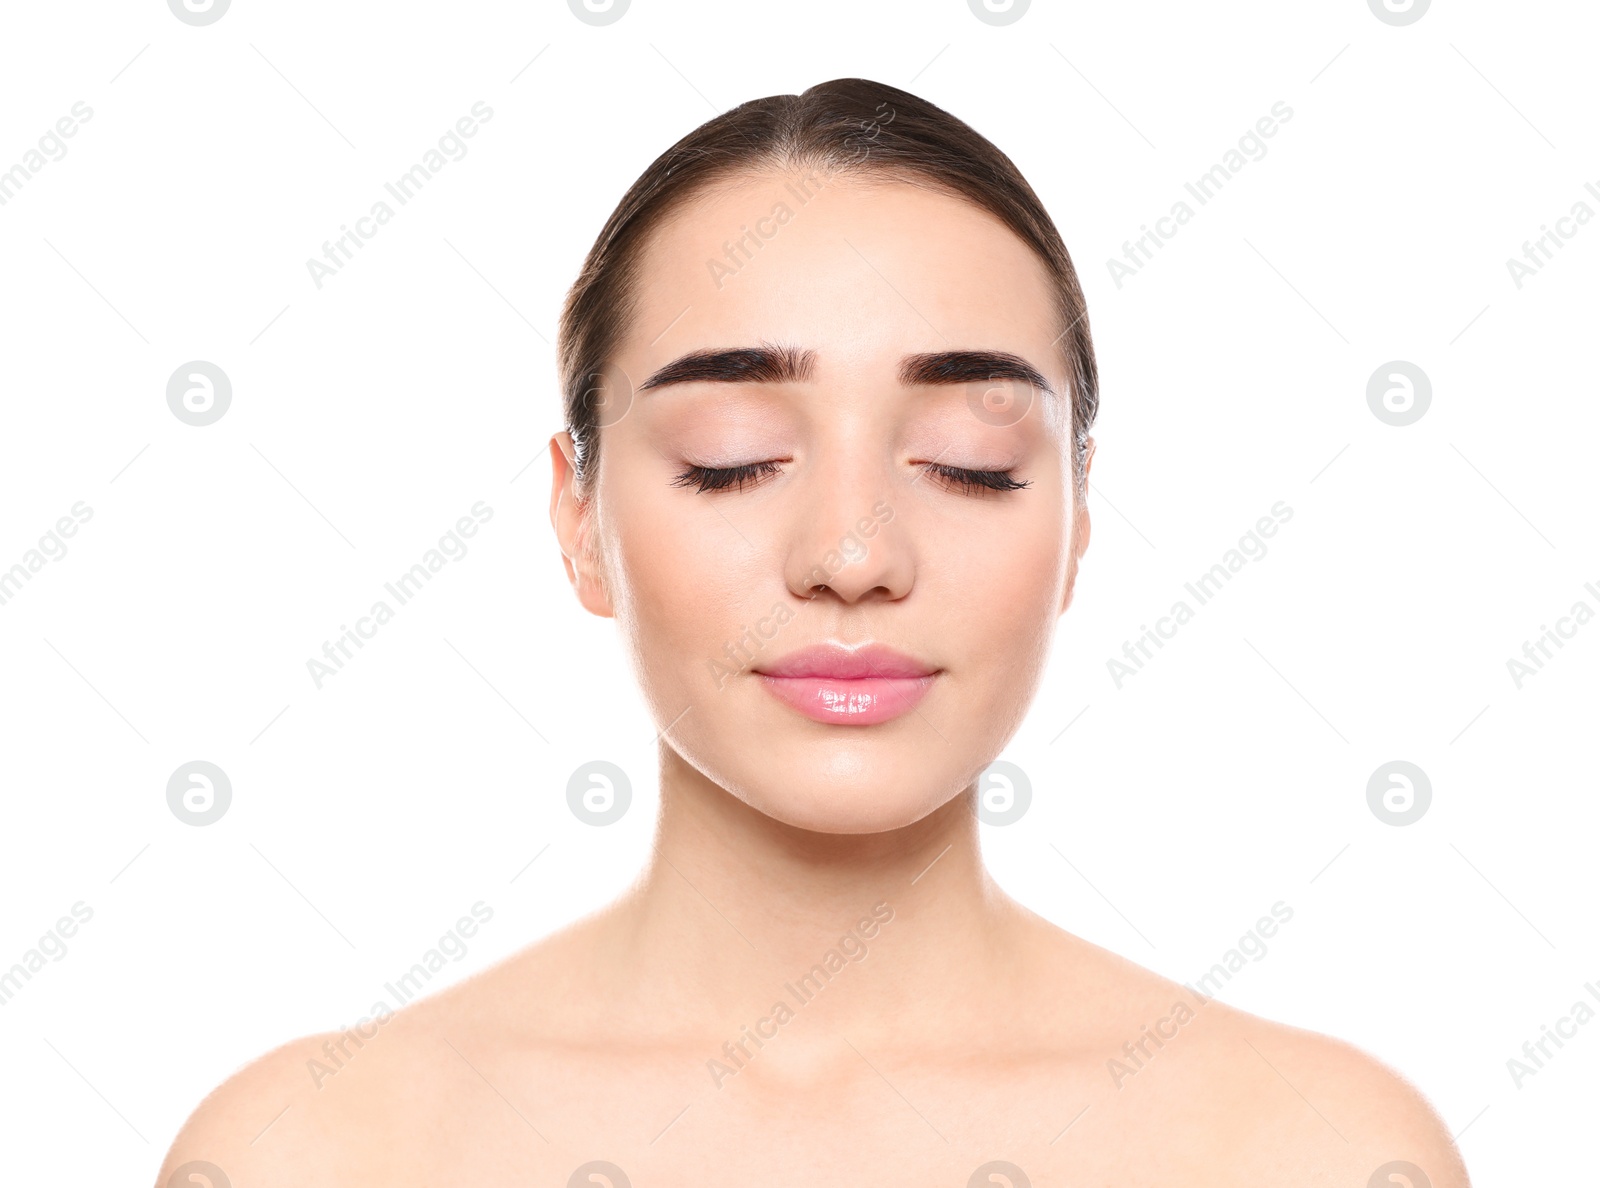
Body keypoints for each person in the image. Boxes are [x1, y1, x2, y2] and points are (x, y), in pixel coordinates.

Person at [158, 77, 1470, 1186]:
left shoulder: (1317, 1153)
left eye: (970, 461)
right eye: (733, 459)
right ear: (576, 515)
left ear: (1074, 520)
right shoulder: (313, 1151)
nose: (853, 556)